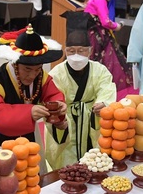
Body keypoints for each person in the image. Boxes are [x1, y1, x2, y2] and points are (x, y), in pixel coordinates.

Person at [0, 25, 67, 146]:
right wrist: (28, 113)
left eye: (38, 69)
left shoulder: (41, 76)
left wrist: (58, 106)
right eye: (27, 69)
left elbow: (53, 94)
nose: (32, 75)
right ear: (15, 63)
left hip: (27, 137)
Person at [45, 22, 117, 171]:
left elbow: (107, 88)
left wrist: (104, 103)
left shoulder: (99, 70)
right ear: (65, 51)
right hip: (67, 121)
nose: (76, 55)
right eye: (71, 51)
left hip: (91, 118)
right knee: (65, 161)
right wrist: (59, 111)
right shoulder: (56, 74)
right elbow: (51, 97)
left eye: (81, 51)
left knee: (93, 161)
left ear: (90, 51)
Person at [83, 0, 132, 91]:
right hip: (97, 35)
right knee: (108, 62)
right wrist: (117, 26)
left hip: (93, 33)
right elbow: (105, 21)